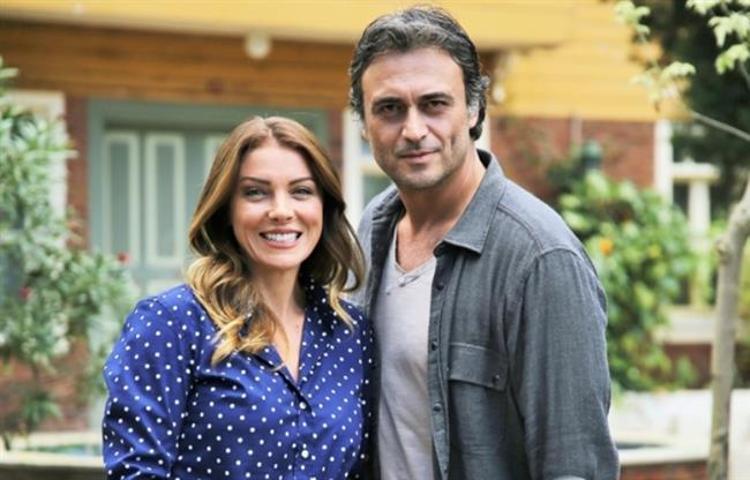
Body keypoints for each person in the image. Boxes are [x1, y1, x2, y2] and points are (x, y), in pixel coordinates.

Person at [349, 6, 619, 480]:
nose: (413, 130)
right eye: (389, 108)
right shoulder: (372, 228)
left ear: (473, 110)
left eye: (434, 104)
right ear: (364, 122)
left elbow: (574, 465)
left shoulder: (540, 258)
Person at [102, 116, 373, 479]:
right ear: (227, 209)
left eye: (301, 191)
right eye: (256, 192)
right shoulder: (171, 324)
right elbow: (136, 471)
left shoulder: (351, 335)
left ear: (324, 206)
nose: (281, 211)